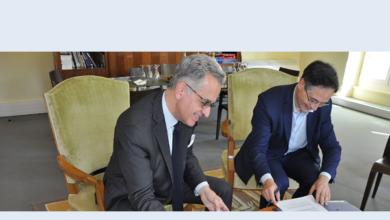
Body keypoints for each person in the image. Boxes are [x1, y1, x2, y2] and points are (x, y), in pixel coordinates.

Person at [104, 54, 232, 211]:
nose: (206, 113)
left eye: (211, 105)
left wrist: (203, 189)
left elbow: (187, 156)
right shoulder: (134, 126)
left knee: (222, 191)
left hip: (169, 180)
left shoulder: (186, 113)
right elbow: (143, 198)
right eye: (205, 103)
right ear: (181, 90)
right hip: (131, 194)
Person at [235, 60, 342, 208]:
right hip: (269, 152)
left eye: (321, 103)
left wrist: (324, 178)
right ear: (301, 84)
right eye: (312, 100)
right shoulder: (269, 102)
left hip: (298, 153)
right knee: (278, 184)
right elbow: (258, 148)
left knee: (315, 180)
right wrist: (267, 180)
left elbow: (332, 147)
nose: (314, 108)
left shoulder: (323, 106)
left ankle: (295, 210)